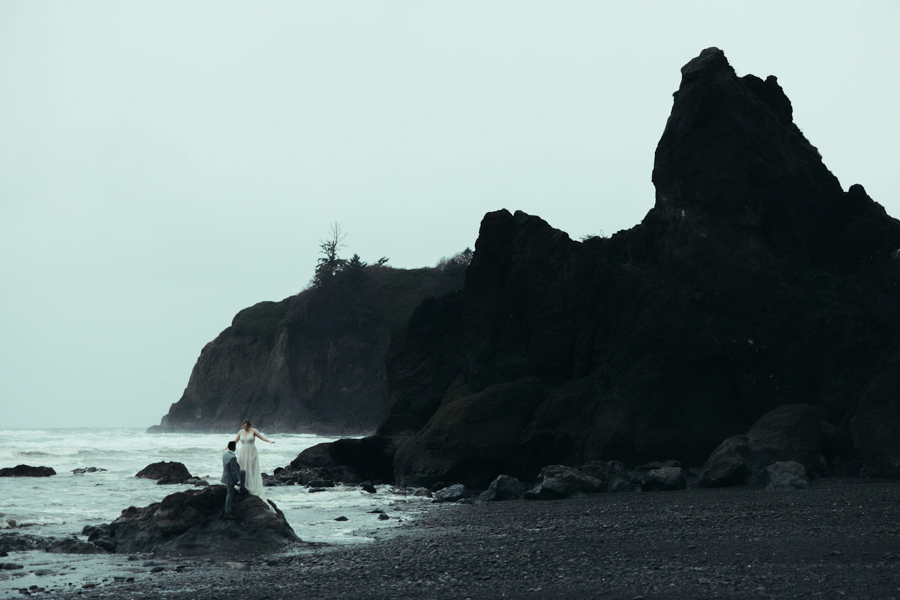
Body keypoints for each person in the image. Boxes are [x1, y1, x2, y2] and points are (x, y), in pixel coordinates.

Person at [234, 419, 275, 499]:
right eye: (244, 426)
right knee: (242, 469)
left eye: (246, 426)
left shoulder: (253, 431)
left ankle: (251, 487)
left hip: (252, 452)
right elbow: (235, 441)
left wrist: (269, 441)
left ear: (249, 426)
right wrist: (227, 447)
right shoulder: (240, 432)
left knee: (251, 469)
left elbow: (262, 437)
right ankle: (243, 486)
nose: (245, 428)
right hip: (243, 452)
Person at [221, 440, 246, 519]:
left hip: (225, 475)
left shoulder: (225, 454)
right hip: (231, 478)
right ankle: (227, 512)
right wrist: (238, 481)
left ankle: (242, 488)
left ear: (228, 447)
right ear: (234, 447)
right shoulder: (232, 457)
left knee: (243, 472)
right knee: (229, 494)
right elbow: (234, 471)